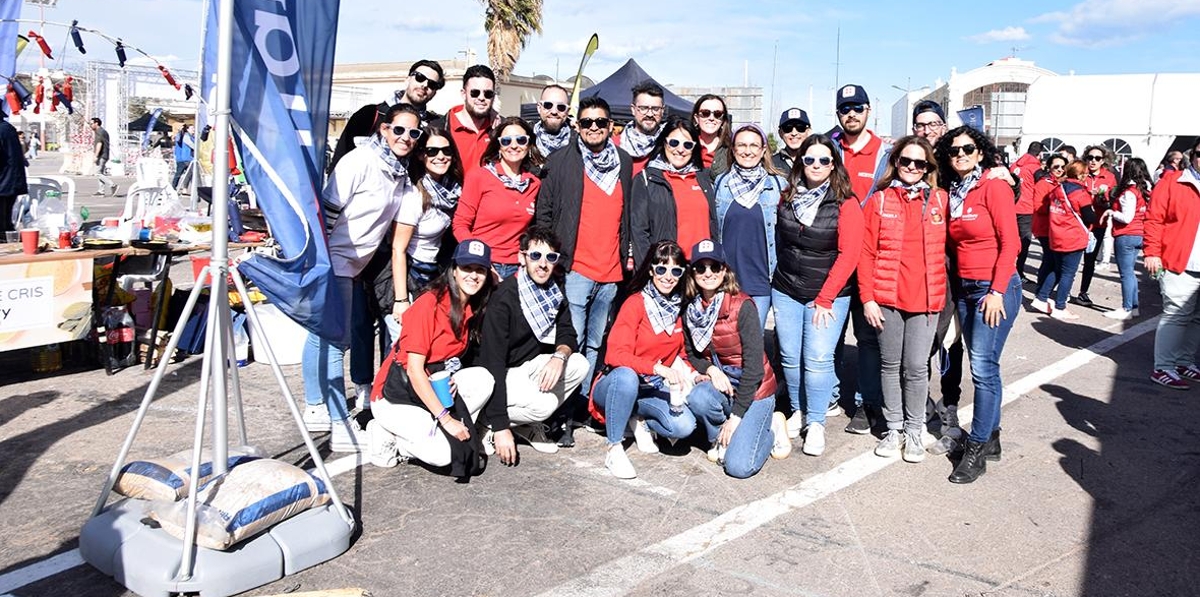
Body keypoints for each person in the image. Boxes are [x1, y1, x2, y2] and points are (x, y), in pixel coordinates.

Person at [303, 103, 424, 451]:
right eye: (398, 130)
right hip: (334, 262)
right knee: (332, 340)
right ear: (383, 130)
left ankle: (319, 407)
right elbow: (327, 211)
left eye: (413, 132)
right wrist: (320, 265)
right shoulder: (359, 161)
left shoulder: (398, 173)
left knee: (324, 337)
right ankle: (332, 417)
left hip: (353, 266)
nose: (405, 137)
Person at [534, 95, 634, 438]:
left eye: (600, 122)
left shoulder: (623, 161)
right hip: (575, 269)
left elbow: (629, 215)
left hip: (611, 272)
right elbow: (543, 213)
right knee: (570, 345)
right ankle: (559, 413)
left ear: (611, 126)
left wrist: (628, 254)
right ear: (578, 125)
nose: (594, 128)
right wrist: (551, 257)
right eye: (587, 122)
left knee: (595, 344)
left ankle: (579, 408)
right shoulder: (561, 161)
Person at [368, 239, 497, 479]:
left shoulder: (472, 306)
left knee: (483, 379)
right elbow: (415, 372)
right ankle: (390, 437)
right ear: (454, 270)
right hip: (396, 397)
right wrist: (446, 419)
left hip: (432, 387)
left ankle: (440, 429)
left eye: (480, 270)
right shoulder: (429, 303)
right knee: (444, 454)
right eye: (467, 268)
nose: (473, 275)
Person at [935, 126, 1020, 484]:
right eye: (954, 151)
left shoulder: (994, 187)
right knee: (985, 365)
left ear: (981, 152)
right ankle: (994, 436)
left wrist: (997, 291)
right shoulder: (953, 192)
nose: (961, 155)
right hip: (965, 289)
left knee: (983, 368)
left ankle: (978, 446)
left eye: (968, 149)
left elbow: (1011, 243)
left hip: (992, 290)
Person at [772, 134, 864, 453]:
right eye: (809, 159)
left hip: (827, 295)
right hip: (786, 289)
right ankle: (798, 410)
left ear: (834, 165)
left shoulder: (846, 203)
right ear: (800, 162)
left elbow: (849, 254)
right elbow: (781, 242)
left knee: (818, 359)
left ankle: (816, 423)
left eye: (824, 160)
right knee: (789, 356)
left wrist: (825, 298)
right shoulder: (788, 196)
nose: (816, 165)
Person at [859, 136, 948, 462]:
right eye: (905, 161)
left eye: (919, 163)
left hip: (927, 300)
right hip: (887, 299)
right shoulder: (879, 201)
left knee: (915, 367)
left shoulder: (941, 200)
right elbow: (866, 252)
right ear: (896, 162)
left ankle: (914, 428)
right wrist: (868, 298)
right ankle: (893, 428)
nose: (912, 167)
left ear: (928, 167)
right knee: (890, 365)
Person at [476, 226, 590, 463]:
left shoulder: (553, 291)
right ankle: (488, 422)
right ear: (522, 257)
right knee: (545, 405)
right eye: (536, 255)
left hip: (528, 369)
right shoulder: (504, 298)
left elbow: (568, 334)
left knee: (578, 363)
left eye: (550, 257)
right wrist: (500, 426)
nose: (543, 264)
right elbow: (493, 364)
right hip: (497, 375)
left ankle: (523, 425)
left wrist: (559, 356)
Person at [682, 239, 790, 477]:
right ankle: (720, 438)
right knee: (698, 397)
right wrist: (711, 370)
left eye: (714, 267)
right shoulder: (691, 309)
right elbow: (692, 354)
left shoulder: (743, 306)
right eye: (701, 267)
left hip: (755, 391)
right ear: (693, 273)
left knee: (739, 467)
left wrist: (736, 417)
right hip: (727, 384)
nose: (708, 273)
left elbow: (754, 369)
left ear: (724, 270)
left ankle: (771, 428)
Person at [590, 240, 697, 479]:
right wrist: (657, 368)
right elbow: (614, 355)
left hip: (649, 388)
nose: (668, 276)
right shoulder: (635, 303)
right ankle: (614, 448)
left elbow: (679, 354)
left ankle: (636, 418)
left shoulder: (677, 308)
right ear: (651, 270)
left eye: (675, 270)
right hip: (615, 384)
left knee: (684, 426)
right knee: (627, 376)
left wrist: (695, 374)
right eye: (661, 269)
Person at [831, 84, 892, 435]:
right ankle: (830, 396)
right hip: (833, 258)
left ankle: (867, 404)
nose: (850, 114)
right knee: (830, 335)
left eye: (857, 108)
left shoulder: (886, 152)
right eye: (844, 109)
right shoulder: (828, 149)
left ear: (869, 110)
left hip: (871, 257)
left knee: (868, 337)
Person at [713, 123, 784, 328]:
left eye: (754, 145)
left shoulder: (778, 186)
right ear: (733, 150)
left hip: (761, 281)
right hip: (725, 281)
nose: (747, 151)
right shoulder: (720, 184)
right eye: (741, 145)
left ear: (763, 150)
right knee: (724, 342)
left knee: (752, 343)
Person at [453, 116, 541, 280]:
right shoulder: (479, 176)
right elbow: (460, 224)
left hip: (518, 268)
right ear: (499, 146)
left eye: (521, 140)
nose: (514, 145)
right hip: (481, 265)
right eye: (506, 141)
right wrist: (479, 260)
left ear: (529, 146)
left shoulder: (534, 183)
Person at [1144, 142, 1200, 390]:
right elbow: (1154, 218)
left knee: (1197, 317)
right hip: (1179, 261)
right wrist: (1152, 252)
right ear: (1193, 156)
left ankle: (1183, 361)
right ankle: (1163, 366)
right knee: (1176, 314)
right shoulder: (1172, 181)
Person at [630, 116, 716, 268]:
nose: (680, 150)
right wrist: (650, 269)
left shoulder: (704, 179)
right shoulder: (646, 179)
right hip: (667, 271)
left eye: (688, 145)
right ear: (664, 143)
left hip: (701, 269)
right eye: (674, 143)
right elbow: (639, 232)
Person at [331, 59, 444, 169]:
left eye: (432, 84)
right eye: (420, 77)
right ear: (407, 79)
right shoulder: (370, 114)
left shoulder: (434, 126)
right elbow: (340, 160)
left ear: (435, 92)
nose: (424, 85)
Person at [1033, 160, 1095, 321]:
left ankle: (1041, 297)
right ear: (1081, 175)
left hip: (1056, 234)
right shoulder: (1080, 193)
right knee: (1068, 273)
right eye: (1085, 173)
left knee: (1057, 269)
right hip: (1072, 237)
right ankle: (1060, 306)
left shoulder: (1056, 189)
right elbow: (1089, 216)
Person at [1102, 157, 1150, 321]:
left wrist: (1111, 212)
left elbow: (1127, 217)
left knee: (1126, 273)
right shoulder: (1144, 190)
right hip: (1139, 234)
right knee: (1130, 273)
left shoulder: (1129, 192)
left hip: (1127, 234)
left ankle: (1127, 307)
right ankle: (1133, 306)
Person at [1072, 146, 1118, 308]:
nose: (1093, 161)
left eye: (1097, 158)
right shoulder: (1081, 172)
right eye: (1090, 157)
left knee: (1090, 259)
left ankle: (1083, 292)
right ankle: (1061, 290)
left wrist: (1103, 200)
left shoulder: (1110, 177)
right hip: (1077, 223)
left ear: (1103, 160)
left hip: (1097, 223)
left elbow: (1113, 201)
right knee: (1071, 259)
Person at [446, 64, 501, 176]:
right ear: (463, 94)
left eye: (488, 94)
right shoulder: (441, 127)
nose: (481, 98)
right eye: (475, 93)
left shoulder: (501, 128)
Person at [1031, 154, 1069, 302]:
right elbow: (1037, 207)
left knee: (1050, 260)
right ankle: (1041, 292)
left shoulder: (1064, 182)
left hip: (1057, 228)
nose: (1059, 169)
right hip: (1044, 228)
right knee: (1051, 260)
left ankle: (1042, 291)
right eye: (1056, 167)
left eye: (1062, 167)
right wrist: (1055, 203)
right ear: (1049, 168)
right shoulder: (1043, 183)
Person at [1011, 142, 1045, 284]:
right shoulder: (1035, 168)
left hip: (1012, 207)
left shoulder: (1014, 166)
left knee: (1011, 241)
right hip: (1026, 209)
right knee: (1024, 243)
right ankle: (1018, 273)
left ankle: (1010, 270)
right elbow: (1042, 186)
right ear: (1040, 154)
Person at [616, 80, 666, 176]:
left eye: (655, 109)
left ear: (662, 110)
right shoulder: (615, 146)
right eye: (643, 108)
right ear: (633, 109)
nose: (650, 114)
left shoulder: (672, 146)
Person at [0, 111, 28, 235]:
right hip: (10, 180)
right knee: (6, 224)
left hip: (4, 181)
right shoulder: (7, 128)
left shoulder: (3, 129)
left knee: (3, 225)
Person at [691, 94, 731, 176]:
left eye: (717, 114)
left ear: (723, 120)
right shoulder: (684, 146)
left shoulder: (731, 150)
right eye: (705, 113)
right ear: (696, 118)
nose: (711, 118)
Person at [533, 84, 571, 158]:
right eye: (548, 105)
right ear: (539, 108)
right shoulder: (524, 140)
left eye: (561, 107)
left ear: (568, 111)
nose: (554, 111)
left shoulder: (579, 144)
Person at [771, 107, 812, 173]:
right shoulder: (770, 164)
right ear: (780, 133)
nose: (794, 133)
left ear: (809, 131)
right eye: (788, 128)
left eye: (800, 127)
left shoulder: (819, 162)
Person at [90, 118, 118, 197]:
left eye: (91, 123)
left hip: (102, 155)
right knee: (100, 173)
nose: (90, 125)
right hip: (104, 155)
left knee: (98, 173)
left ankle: (112, 185)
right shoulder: (100, 131)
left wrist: (95, 156)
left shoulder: (100, 132)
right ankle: (101, 191)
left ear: (96, 123)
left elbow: (99, 144)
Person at [172, 124, 195, 191]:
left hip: (187, 157)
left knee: (189, 174)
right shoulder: (183, 136)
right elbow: (191, 145)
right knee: (179, 173)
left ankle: (185, 188)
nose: (194, 129)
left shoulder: (189, 136)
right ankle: (174, 187)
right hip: (182, 158)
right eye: (192, 128)